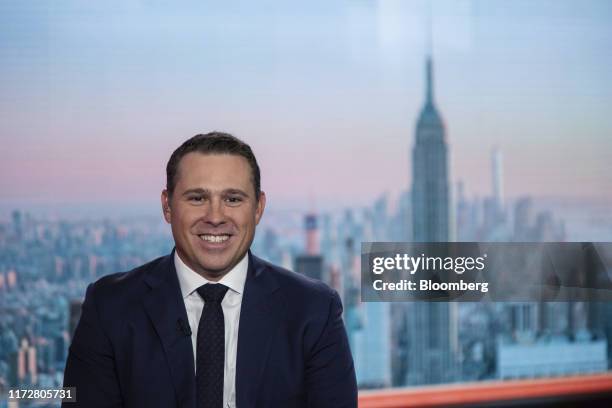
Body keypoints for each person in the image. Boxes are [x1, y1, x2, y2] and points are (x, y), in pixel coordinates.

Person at [63, 132, 357, 408]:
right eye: (197, 198)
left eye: (232, 199)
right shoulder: (110, 307)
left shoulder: (314, 310)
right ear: (167, 206)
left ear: (258, 208)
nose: (215, 217)